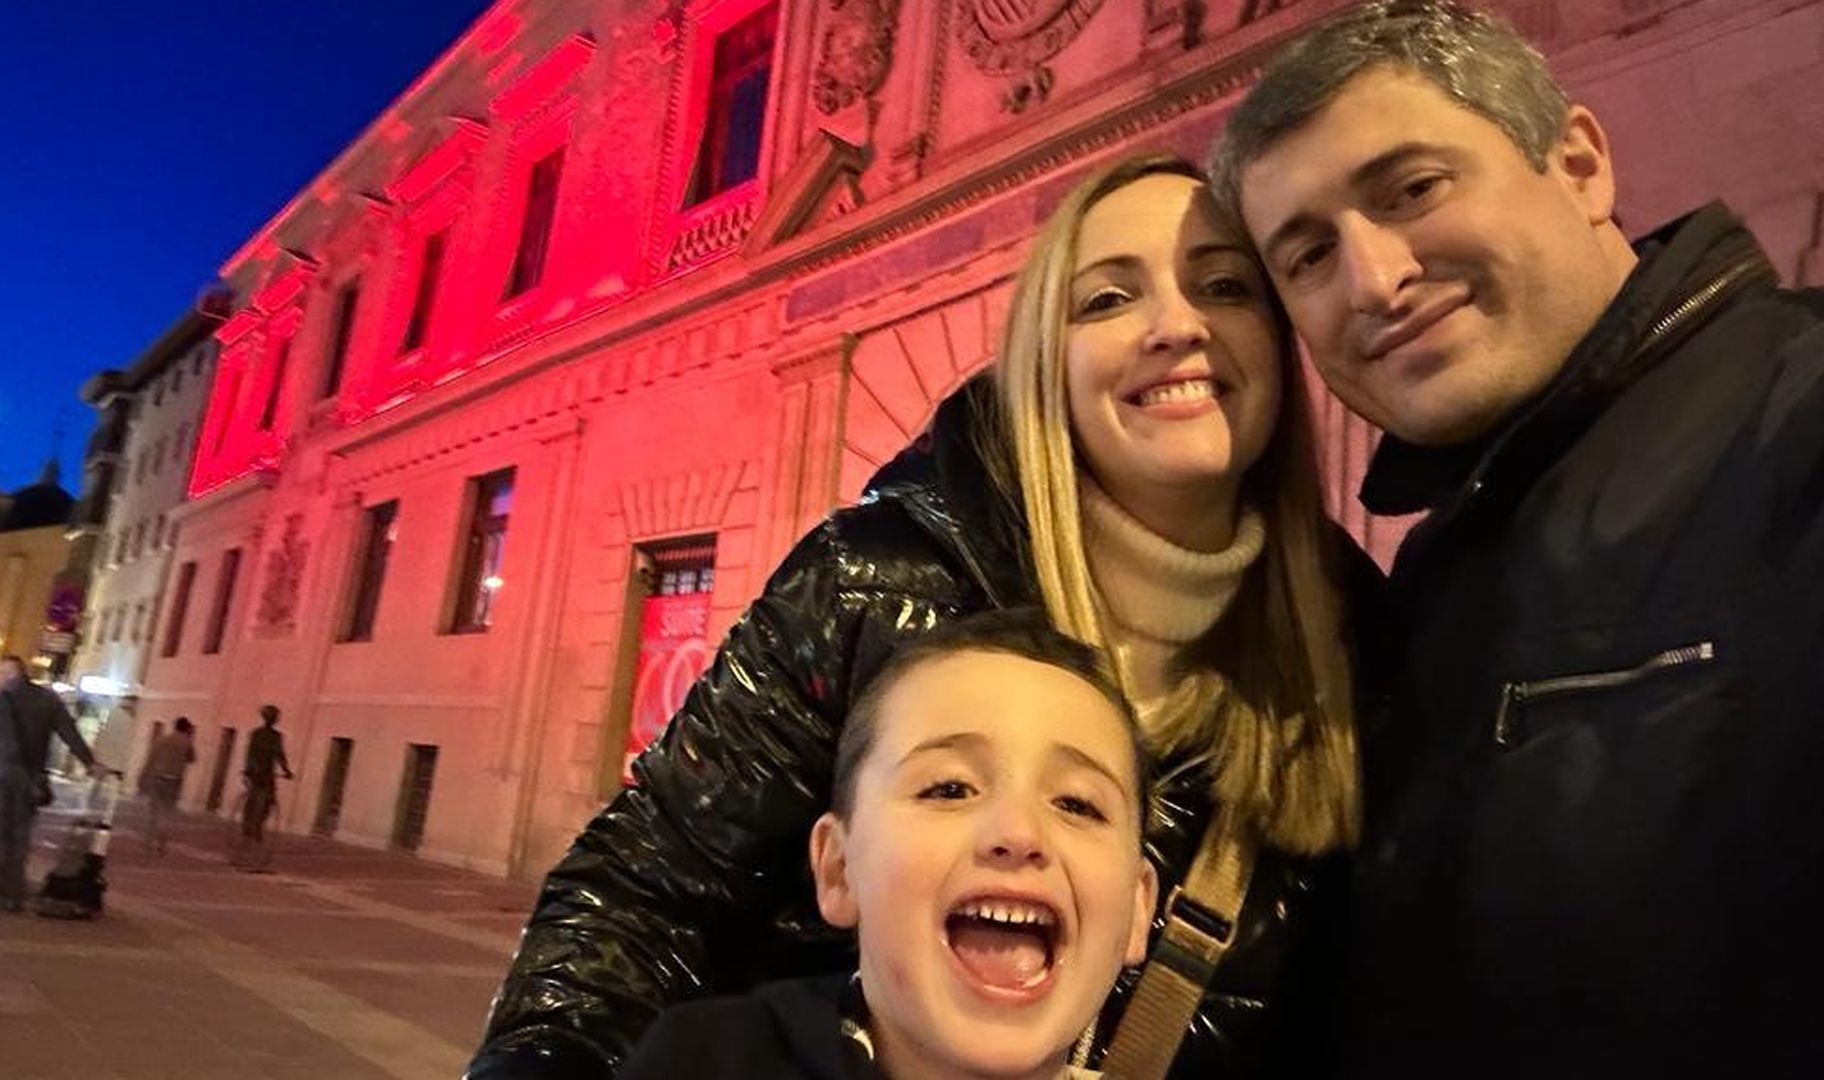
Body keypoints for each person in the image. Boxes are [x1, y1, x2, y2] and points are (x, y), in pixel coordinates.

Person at [471, 152, 1371, 1078]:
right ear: (1046, 363)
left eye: (1225, 287)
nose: (1177, 326)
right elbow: (645, 890)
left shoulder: (1360, 641)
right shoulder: (866, 580)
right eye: (1106, 299)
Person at [1209, 1, 1824, 1073]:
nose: (1374, 280)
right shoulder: (1428, 577)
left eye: (1412, 189)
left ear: (1579, 163)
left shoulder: (1802, 421)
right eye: (1306, 256)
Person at [617, 612, 1159, 1080]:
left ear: (1138, 909)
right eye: (949, 788)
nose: (1018, 833)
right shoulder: (706, 1062)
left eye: (1077, 804)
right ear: (838, 869)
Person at [0, 655, 104, 912]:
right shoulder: (48, 700)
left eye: (0, 673)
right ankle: (11, 897)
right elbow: (69, 732)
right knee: (18, 839)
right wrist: (90, 762)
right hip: (29, 779)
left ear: (9, 673)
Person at [233, 704, 292, 872]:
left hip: (256, 778)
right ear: (274, 719)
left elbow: (250, 755)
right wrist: (287, 771)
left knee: (251, 815)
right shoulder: (276, 737)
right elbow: (280, 756)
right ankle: (253, 856)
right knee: (259, 816)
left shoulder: (256, 735)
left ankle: (244, 854)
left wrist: (249, 771)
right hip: (264, 780)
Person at [139, 716, 196, 855]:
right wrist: (190, 738)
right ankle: (161, 845)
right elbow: (192, 759)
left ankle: (148, 843)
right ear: (186, 728)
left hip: (158, 777)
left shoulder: (162, 740)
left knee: (154, 811)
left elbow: (151, 759)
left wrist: (143, 776)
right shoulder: (187, 743)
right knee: (167, 812)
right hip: (174, 781)